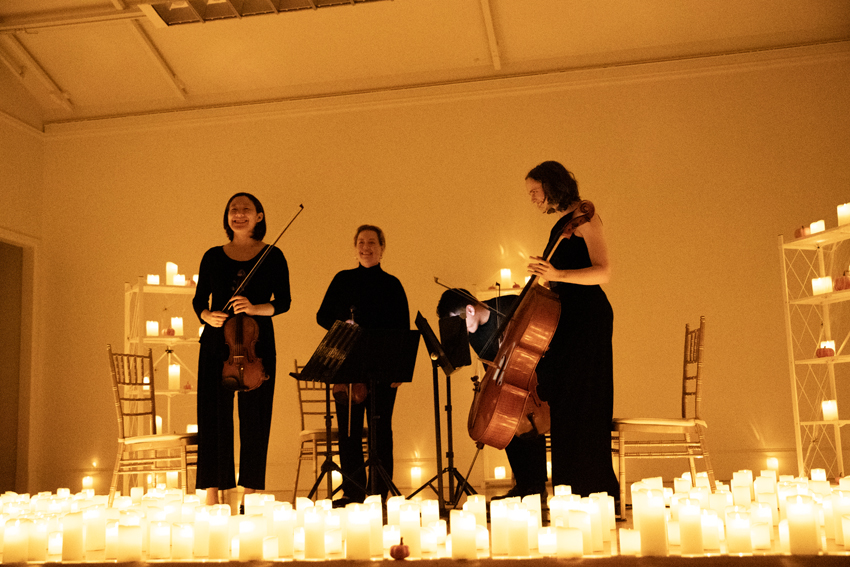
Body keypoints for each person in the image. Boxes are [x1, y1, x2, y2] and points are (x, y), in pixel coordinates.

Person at [524, 160, 620, 499]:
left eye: (535, 192)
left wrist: (556, 274)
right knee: (565, 402)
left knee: (584, 402)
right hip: (569, 318)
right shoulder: (566, 222)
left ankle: (592, 490)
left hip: (587, 318)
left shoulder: (585, 215)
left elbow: (603, 272)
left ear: (551, 186)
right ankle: (569, 489)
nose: (533, 199)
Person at [192, 192, 291, 507]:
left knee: (256, 417)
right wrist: (206, 316)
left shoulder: (273, 255)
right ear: (227, 217)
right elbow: (199, 300)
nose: (239, 214)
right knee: (212, 415)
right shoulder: (212, 256)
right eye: (233, 210)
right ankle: (212, 489)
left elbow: (284, 302)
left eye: (246, 209)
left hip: (256, 345)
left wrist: (254, 307)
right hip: (216, 342)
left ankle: (251, 490)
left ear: (259, 216)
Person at [316, 224, 410, 507]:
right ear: (354, 247)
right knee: (349, 433)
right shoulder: (342, 279)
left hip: (381, 369)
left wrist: (398, 371)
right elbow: (322, 316)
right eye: (361, 242)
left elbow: (402, 331)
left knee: (381, 431)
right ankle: (353, 491)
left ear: (382, 248)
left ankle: (380, 492)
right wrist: (342, 325)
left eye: (372, 242)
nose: (366, 247)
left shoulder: (392, 284)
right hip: (347, 367)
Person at [437, 289, 549, 500]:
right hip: (506, 382)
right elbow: (492, 365)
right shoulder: (472, 332)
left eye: (460, 324)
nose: (464, 333)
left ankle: (536, 486)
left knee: (525, 419)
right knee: (503, 417)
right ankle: (524, 485)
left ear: (470, 309)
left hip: (537, 374)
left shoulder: (511, 307)